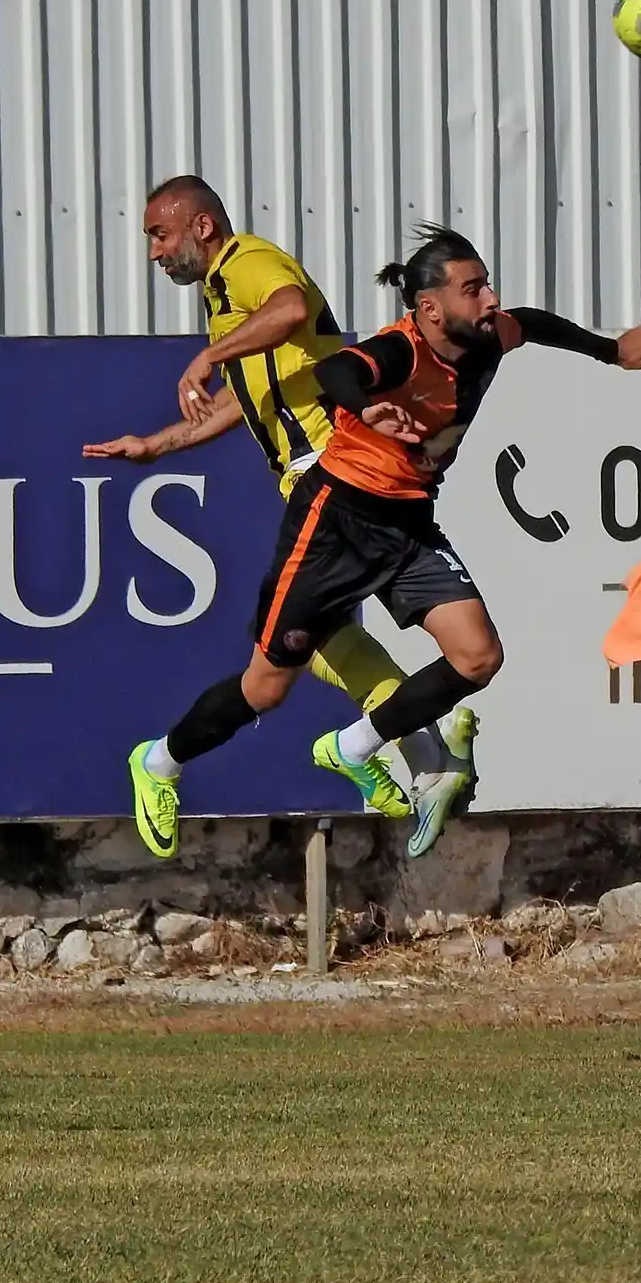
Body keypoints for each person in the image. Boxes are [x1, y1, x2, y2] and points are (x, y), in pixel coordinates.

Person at [127, 222, 641, 860]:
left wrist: (612, 351)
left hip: (409, 522)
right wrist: (363, 408)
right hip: (335, 520)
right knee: (266, 688)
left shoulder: (489, 337)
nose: (491, 299)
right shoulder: (401, 349)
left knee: (479, 657)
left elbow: (532, 322)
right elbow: (340, 369)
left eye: (486, 285)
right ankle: (161, 761)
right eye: (473, 290)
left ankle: (354, 748)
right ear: (429, 309)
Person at [85, 177, 474, 857]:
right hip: (342, 482)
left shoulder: (246, 264)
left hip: (341, 476)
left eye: (160, 234)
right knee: (310, 655)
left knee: (292, 666)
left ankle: (410, 751)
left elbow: (291, 306)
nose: (154, 252)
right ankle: (419, 751)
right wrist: (160, 443)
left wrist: (208, 355)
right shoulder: (220, 296)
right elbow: (252, 398)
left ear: (201, 226)